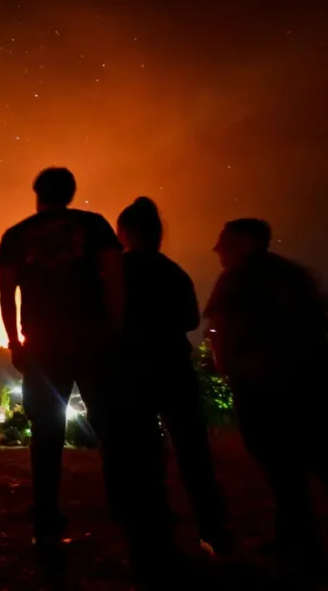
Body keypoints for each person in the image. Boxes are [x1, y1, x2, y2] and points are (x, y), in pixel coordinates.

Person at [0, 167, 173, 575]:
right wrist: (114, 329)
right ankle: (130, 515)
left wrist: (16, 342)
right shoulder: (93, 226)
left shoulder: (16, 235)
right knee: (113, 428)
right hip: (94, 340)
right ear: (71, 192)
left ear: (37, 194)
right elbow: (114, 280)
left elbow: (6, 294)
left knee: (46, 435)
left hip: (43, 345)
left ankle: (46, 525)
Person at [205, 218, 328, 569]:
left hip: (262, 387)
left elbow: (223, 332)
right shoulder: (293, 276)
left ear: (243, 242)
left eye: (223, 240)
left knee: (281, 469)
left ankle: (302, 543)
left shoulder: (236, 280)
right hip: (310, 384)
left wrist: (228, 367)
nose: (216, 249)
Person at [116, 197, 230, 556]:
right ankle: (213, 529)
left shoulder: (116, 270)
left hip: (134, 369)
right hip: (173, 366)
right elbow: (192, 321)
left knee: (142, 452)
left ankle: (152, 531)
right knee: (193, 451)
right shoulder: (174, 272)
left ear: (126, 233)